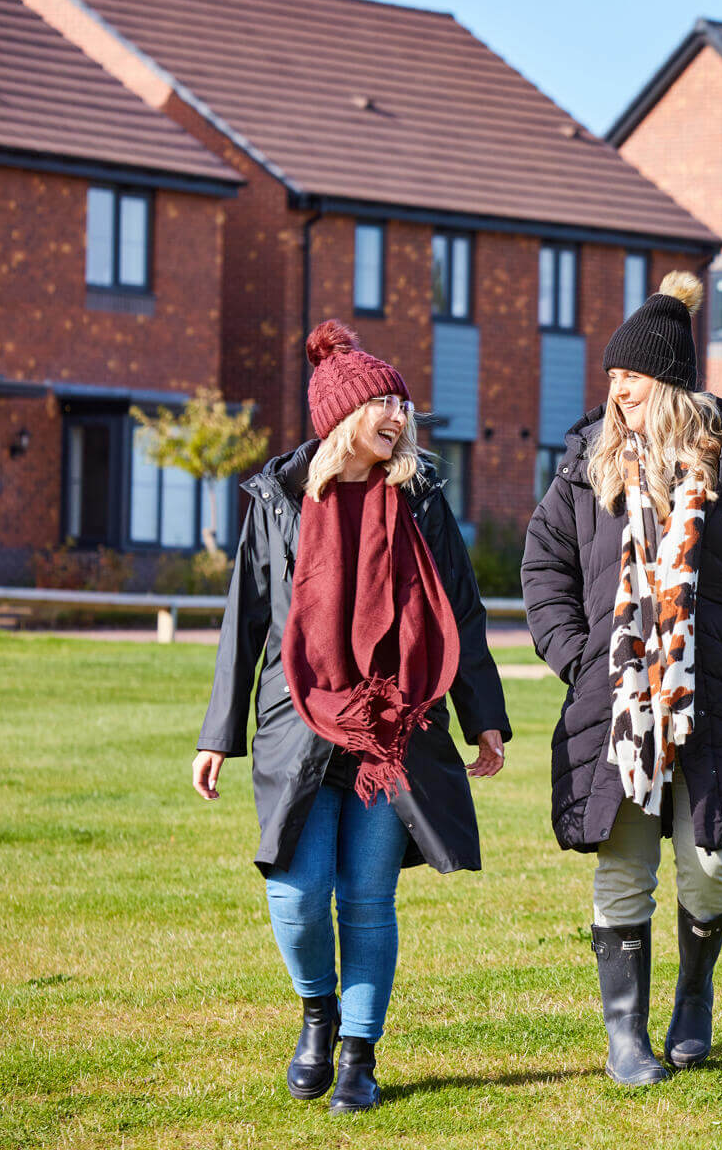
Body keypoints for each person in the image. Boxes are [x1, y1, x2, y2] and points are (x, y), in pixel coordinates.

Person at [521, 271, 722, 1086]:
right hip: (617, 704)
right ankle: (625, 1038)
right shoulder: (585, 471)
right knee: (623, 864)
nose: (617, 390)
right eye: (612, 378)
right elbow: (543, 569)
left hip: (717, 699)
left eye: (631, 377)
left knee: (711, 865)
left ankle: (693, 995)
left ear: (667, 382)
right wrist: (577, 656)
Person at [192, 320, 510, 1113]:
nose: (399, 417)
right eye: (383, 403)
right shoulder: (280, 501)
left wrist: (485, 717)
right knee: (297, 895)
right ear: (342, 413)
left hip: (394, 729)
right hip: (299, 724)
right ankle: (317, 1015)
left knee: (368, 900)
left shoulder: (423, 502)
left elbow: (459, 616)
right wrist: (217, 736)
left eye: (403, 404)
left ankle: (359, 1057)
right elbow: (248, 618)